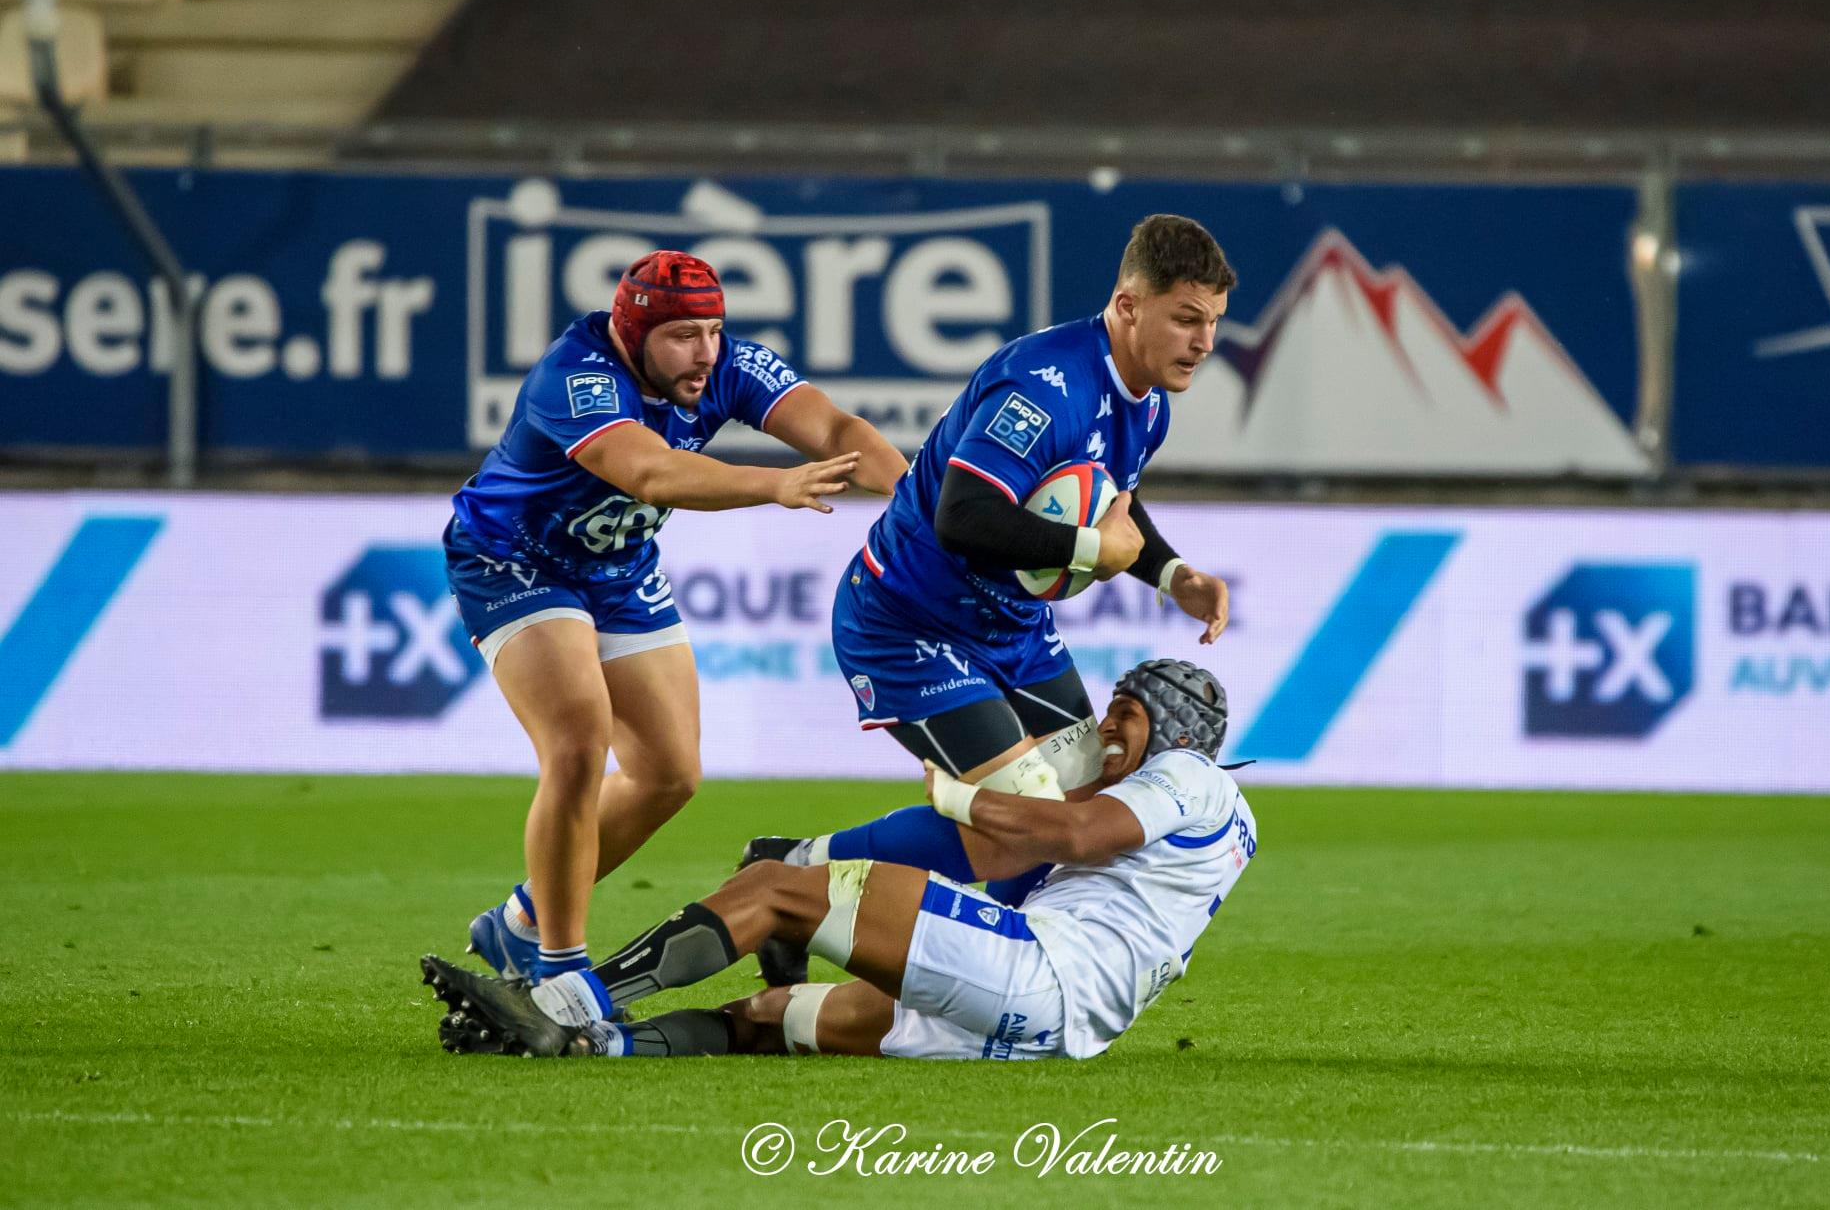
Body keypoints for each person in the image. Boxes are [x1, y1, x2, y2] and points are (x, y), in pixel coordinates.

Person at [739, 214, 1239, 967]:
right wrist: (1094, 551)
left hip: (1012, 627)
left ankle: (836, 882)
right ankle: (800, 882)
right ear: (1129, 305)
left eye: (1213, 322)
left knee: (1080, 805)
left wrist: (1172, 575)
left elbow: (1114, 507)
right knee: (1025, 825)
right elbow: (963, 516)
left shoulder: (1149, 405)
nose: (1204, 342)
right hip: (908, 621)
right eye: (1187, 319)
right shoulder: (1045, 385)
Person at [444, 250, 906, 987]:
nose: (706, 353)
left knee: (669, 775)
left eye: (714, 331)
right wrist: (774, 484)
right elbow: (650, 472)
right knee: (578, 743)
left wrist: (921, 506)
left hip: (619, 569)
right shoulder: (577, 375)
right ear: (634, 333)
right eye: (684, 335)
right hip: (514, 560)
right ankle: (561, 971)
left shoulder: (726, 365)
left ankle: (522, 920)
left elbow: (834, 428)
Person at [422, 660, 1257, 1062]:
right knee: (765, 1017)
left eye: (1124, 714)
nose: (1104, 727)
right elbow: (1040, 843)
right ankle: (596, 1045)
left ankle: (561, 999)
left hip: (1040, 970)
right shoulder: (1217, 821)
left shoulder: (1190, 775)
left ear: (1177, 733)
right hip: (1047, 1033)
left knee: (773, 891)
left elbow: (1066, 838)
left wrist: (958, 794)